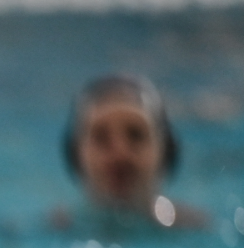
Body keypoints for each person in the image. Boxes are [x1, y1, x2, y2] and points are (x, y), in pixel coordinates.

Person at [51, 74, 209, 232]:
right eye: (101, 137)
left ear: (165, 152)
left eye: (136, 135)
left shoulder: (193, 229)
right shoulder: (57, 229)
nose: (120, 153)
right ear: (76, 155)